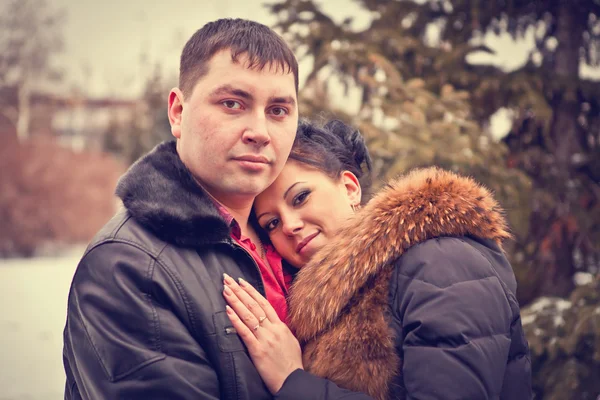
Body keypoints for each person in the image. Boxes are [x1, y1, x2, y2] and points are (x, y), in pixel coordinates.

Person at [62, 18, 299, 399]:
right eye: (232, 104)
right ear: (177, 112)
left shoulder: (298, 239)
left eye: (278, 110)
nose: (260, 131)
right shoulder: (129, 266)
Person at [222, 119, 533, 399]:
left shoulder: (441, 261)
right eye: (271, 223)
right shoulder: (330, 304)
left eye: (300, 197)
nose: (289, 225)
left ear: (349, 188)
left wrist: (293, 380)